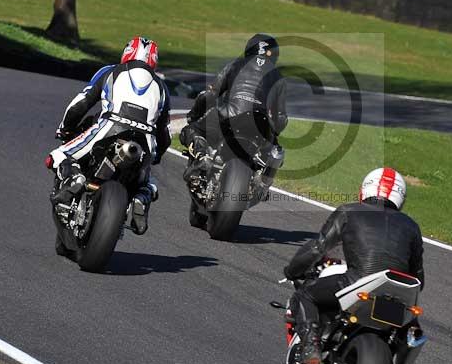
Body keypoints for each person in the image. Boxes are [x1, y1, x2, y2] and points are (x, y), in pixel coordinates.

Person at [281, 168, 425, 364]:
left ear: (363, 190)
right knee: (412, 333)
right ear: (400, 198)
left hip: (358, 283)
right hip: (399, 295)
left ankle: (311, 348)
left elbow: (317, 248)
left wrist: (292, 270)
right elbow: (418, 277)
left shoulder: (349, 211)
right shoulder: (412, 226)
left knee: (305, 295)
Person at [47, 36, 171, 235]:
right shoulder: (163, 88)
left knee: (58, 156)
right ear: (154, 60)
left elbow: (81, 104)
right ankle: (141, 197)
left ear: (127, 52)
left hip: (110, 127)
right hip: (145, 140)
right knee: (147, 183)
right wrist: (156, 156)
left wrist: (64, 129)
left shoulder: (110, 71)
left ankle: (76, 179)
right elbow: (164, 131)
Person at [179, 34, 287, 170]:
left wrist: (194, 115)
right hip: (261, 124)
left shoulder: (235, 64)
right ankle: (262, 182)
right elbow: (281, 118)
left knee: (191, 130)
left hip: (229, 115)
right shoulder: (279, 77)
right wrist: (273, 133)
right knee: (276, 153)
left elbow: (210, 94)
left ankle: (202, 156)